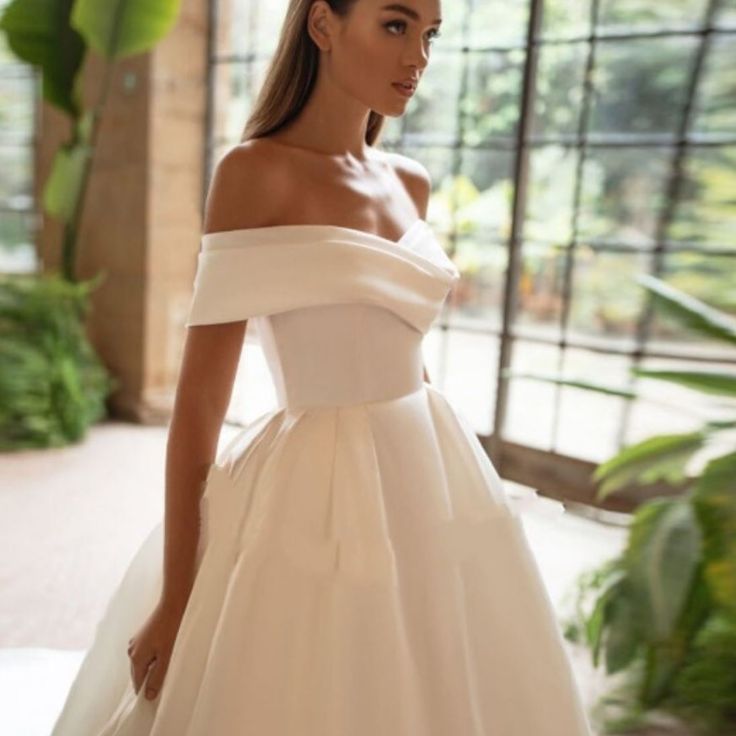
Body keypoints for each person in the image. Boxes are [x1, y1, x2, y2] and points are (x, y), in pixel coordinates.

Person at [50, 0, 594, 734]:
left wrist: (455, 481)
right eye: (395, 25)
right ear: (323, 25)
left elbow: (400, 344)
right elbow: (199, 406)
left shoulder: (411, 181)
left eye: (430, 34)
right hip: (319, 469)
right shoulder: (254, 172)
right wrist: (178, 597)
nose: (418, 58)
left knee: (443, 663)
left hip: (429, 452)